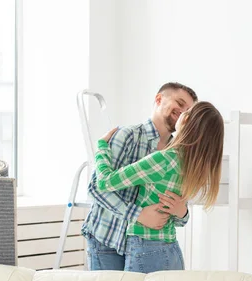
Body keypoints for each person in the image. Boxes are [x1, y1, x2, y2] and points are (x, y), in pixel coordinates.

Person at [94, 101, 224, 273]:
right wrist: (182, 213)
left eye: (187, 111)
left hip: (145, 249)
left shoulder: (164, 160)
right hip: (172, 250)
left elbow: (104, 182)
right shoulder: (195, 169)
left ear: (185, 121)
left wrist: (102, 147)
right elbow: (178, 217)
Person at [81, 82, 198, 271]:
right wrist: (138, 215)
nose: (183, 112)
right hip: (107, 243)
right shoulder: (128, 136)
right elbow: (96, 187)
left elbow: (179, 217)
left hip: (143, 249)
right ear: (159, 99)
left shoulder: (177, 154)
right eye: (180, 103)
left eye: (188, 111)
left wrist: (181, 212)